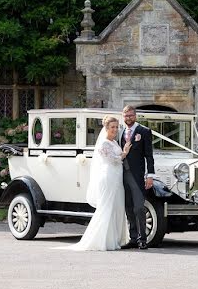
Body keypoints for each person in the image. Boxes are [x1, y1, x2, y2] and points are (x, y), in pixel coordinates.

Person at [60, 115, 131, 251]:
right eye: (112, 127)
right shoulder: (104, 143)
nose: (115, 130)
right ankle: (103, 240)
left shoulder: (114, 143)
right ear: (106, 128)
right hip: (108, 177)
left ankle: (115, 238)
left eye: (116, 127)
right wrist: (125, 153)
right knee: (107, 206)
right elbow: (113, 160)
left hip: (117, 178)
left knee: (117, 206)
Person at [119, 105, 155, 250]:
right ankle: (133, 238)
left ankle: (142, 239)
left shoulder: (144, 131)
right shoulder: (120, 131)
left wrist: (150, 175)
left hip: (137, 175)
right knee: (128, 207)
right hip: (122, 175)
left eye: (131, 115)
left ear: (135, 116)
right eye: (126, 116)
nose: (128, 118)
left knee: (139, 208)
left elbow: (149, 156)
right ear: (123, 116)